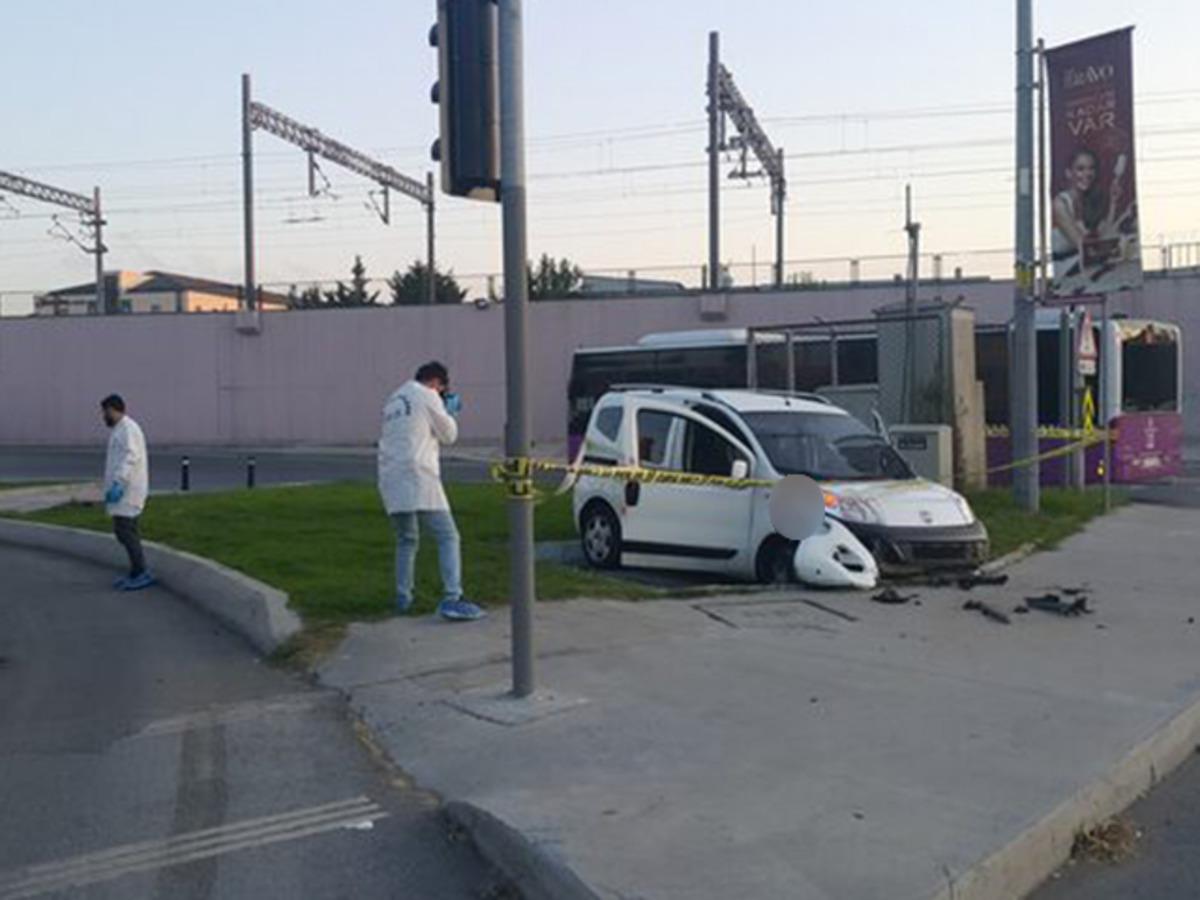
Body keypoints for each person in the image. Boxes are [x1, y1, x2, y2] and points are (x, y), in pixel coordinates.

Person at [377, 361, 484, 622]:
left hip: (391, 477)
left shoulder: (395, 398)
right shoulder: (427, 395)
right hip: (420, 475)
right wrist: (450, 412)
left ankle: (403, 597)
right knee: (448, 536)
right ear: (437, 382)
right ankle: (452, 597)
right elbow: (448, 435)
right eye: (442, 389)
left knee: (406, 539)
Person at [101, 394, 153, 591]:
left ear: (114, 410)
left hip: (128, 490)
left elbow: (131, 457)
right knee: (123, 532)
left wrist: (119, 483)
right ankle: (136, 571)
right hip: (122, 490)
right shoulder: (120, 429)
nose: (104, 416)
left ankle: (141, 572)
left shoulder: (128, 428)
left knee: (126, 532)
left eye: (105, 412)